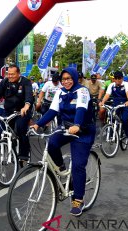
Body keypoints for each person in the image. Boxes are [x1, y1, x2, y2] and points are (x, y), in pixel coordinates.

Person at [33, 67, 96, 216]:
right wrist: (38, 124)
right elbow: (52, 111)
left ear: (75, 78)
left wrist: (77, 125)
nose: (66, 81)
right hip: (67, 128)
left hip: (83, 130)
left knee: (78, 166)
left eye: (69, 78)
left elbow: (81, 109)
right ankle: (61, 167)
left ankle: (78, 199)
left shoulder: (82, 91)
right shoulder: (60, 92)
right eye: (64, 79)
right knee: (52, 143)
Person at [0, 64, 33, 161]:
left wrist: (26, 106)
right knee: (6, 130)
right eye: (9, 74)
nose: (10, 76)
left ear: (19, 74)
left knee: (21, 129)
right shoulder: (4, 82)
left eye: (13, 74)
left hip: (22, 111)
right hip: (9, 111)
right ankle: (12, 148)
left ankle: (24, 154)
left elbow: (29, 96)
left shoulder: (26, 82)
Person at [99, 71, 128, 138]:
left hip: (125, 104)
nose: (117, 80)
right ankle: (111, 133)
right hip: (116, 104)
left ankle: (126, 133)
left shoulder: (126, 84)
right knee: (111, 118)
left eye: (119, 78)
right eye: (115, 78)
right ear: (114, 79)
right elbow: (107, 94)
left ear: (122, 78)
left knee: (125, 119)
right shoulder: (111, 85)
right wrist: (102, 102)